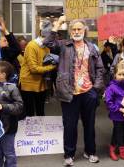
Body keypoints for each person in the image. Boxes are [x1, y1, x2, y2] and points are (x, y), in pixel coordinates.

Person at [43, 16, 104, 166]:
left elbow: (100, 69)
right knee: (70, 125)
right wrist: (57, 24)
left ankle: (90, 151)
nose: (77, 32)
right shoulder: (63, 45)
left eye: (79, 29)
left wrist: (96, 89)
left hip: (89, 92)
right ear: (70, 32)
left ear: (85, 30)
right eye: (74, 29)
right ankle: (69, 154)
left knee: (89, 124)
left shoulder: (92, 48)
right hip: (69, 92)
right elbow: (48, 42)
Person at [19, 19, 56, 117]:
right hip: (28, 84)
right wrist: (52, 66)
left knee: (40, 112)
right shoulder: (32, 46)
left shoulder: (46, 47)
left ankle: (41, 132)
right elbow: (34, 69)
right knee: (29, 114)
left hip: (41, 83)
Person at [105, 62, 124, 161]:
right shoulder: (111, 88)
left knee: (118, 132)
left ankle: (112, 150)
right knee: (120, 133)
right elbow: (109, 103)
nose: (122, 77)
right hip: (117, 114)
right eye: (119, 74)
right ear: (115, 75)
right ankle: (123, 152)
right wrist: (121, 109)